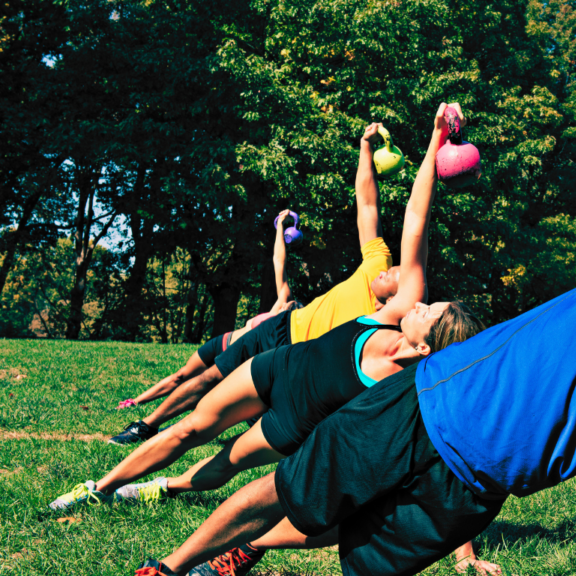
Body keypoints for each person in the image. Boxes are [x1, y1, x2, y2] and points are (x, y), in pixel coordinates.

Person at [130, 4, 576, 575]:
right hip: (420, 401)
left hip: (470, 491)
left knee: (349, 541)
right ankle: (168, 566)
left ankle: (247, 553)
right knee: (283, 491)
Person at [51, 104, 478, 513]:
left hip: (296, 418)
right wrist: (437, 136)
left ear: (427, 349)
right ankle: (97, 489)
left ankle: (161, 487)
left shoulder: (408, 388)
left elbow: (445, 453)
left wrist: (463, 551)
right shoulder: (396, 308)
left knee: (227, 463)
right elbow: (416, 217)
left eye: (430, 313)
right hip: (278, 365)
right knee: (191, 428)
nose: (421, 305)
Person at [108, 122, 397, 445]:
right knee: (210, 377)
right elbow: (367, 204)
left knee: (247, 408)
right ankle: (146, 424)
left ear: (401, 297)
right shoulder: (376, 264)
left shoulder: (384, 333)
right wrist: (365, 149)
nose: (392, 269)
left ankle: (211, 440)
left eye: (399, 274)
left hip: (298, 360)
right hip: (280, 328)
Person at [115, 209, 300, 412]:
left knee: (202, 392)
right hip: (223, 343)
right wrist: (281, 225)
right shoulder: (280, 304)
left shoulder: (285, 335)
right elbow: (278, 261)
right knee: (182, 375)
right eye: (290, 303)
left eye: (293, 307)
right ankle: (135, 402)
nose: (289, 304)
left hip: (234, 362)